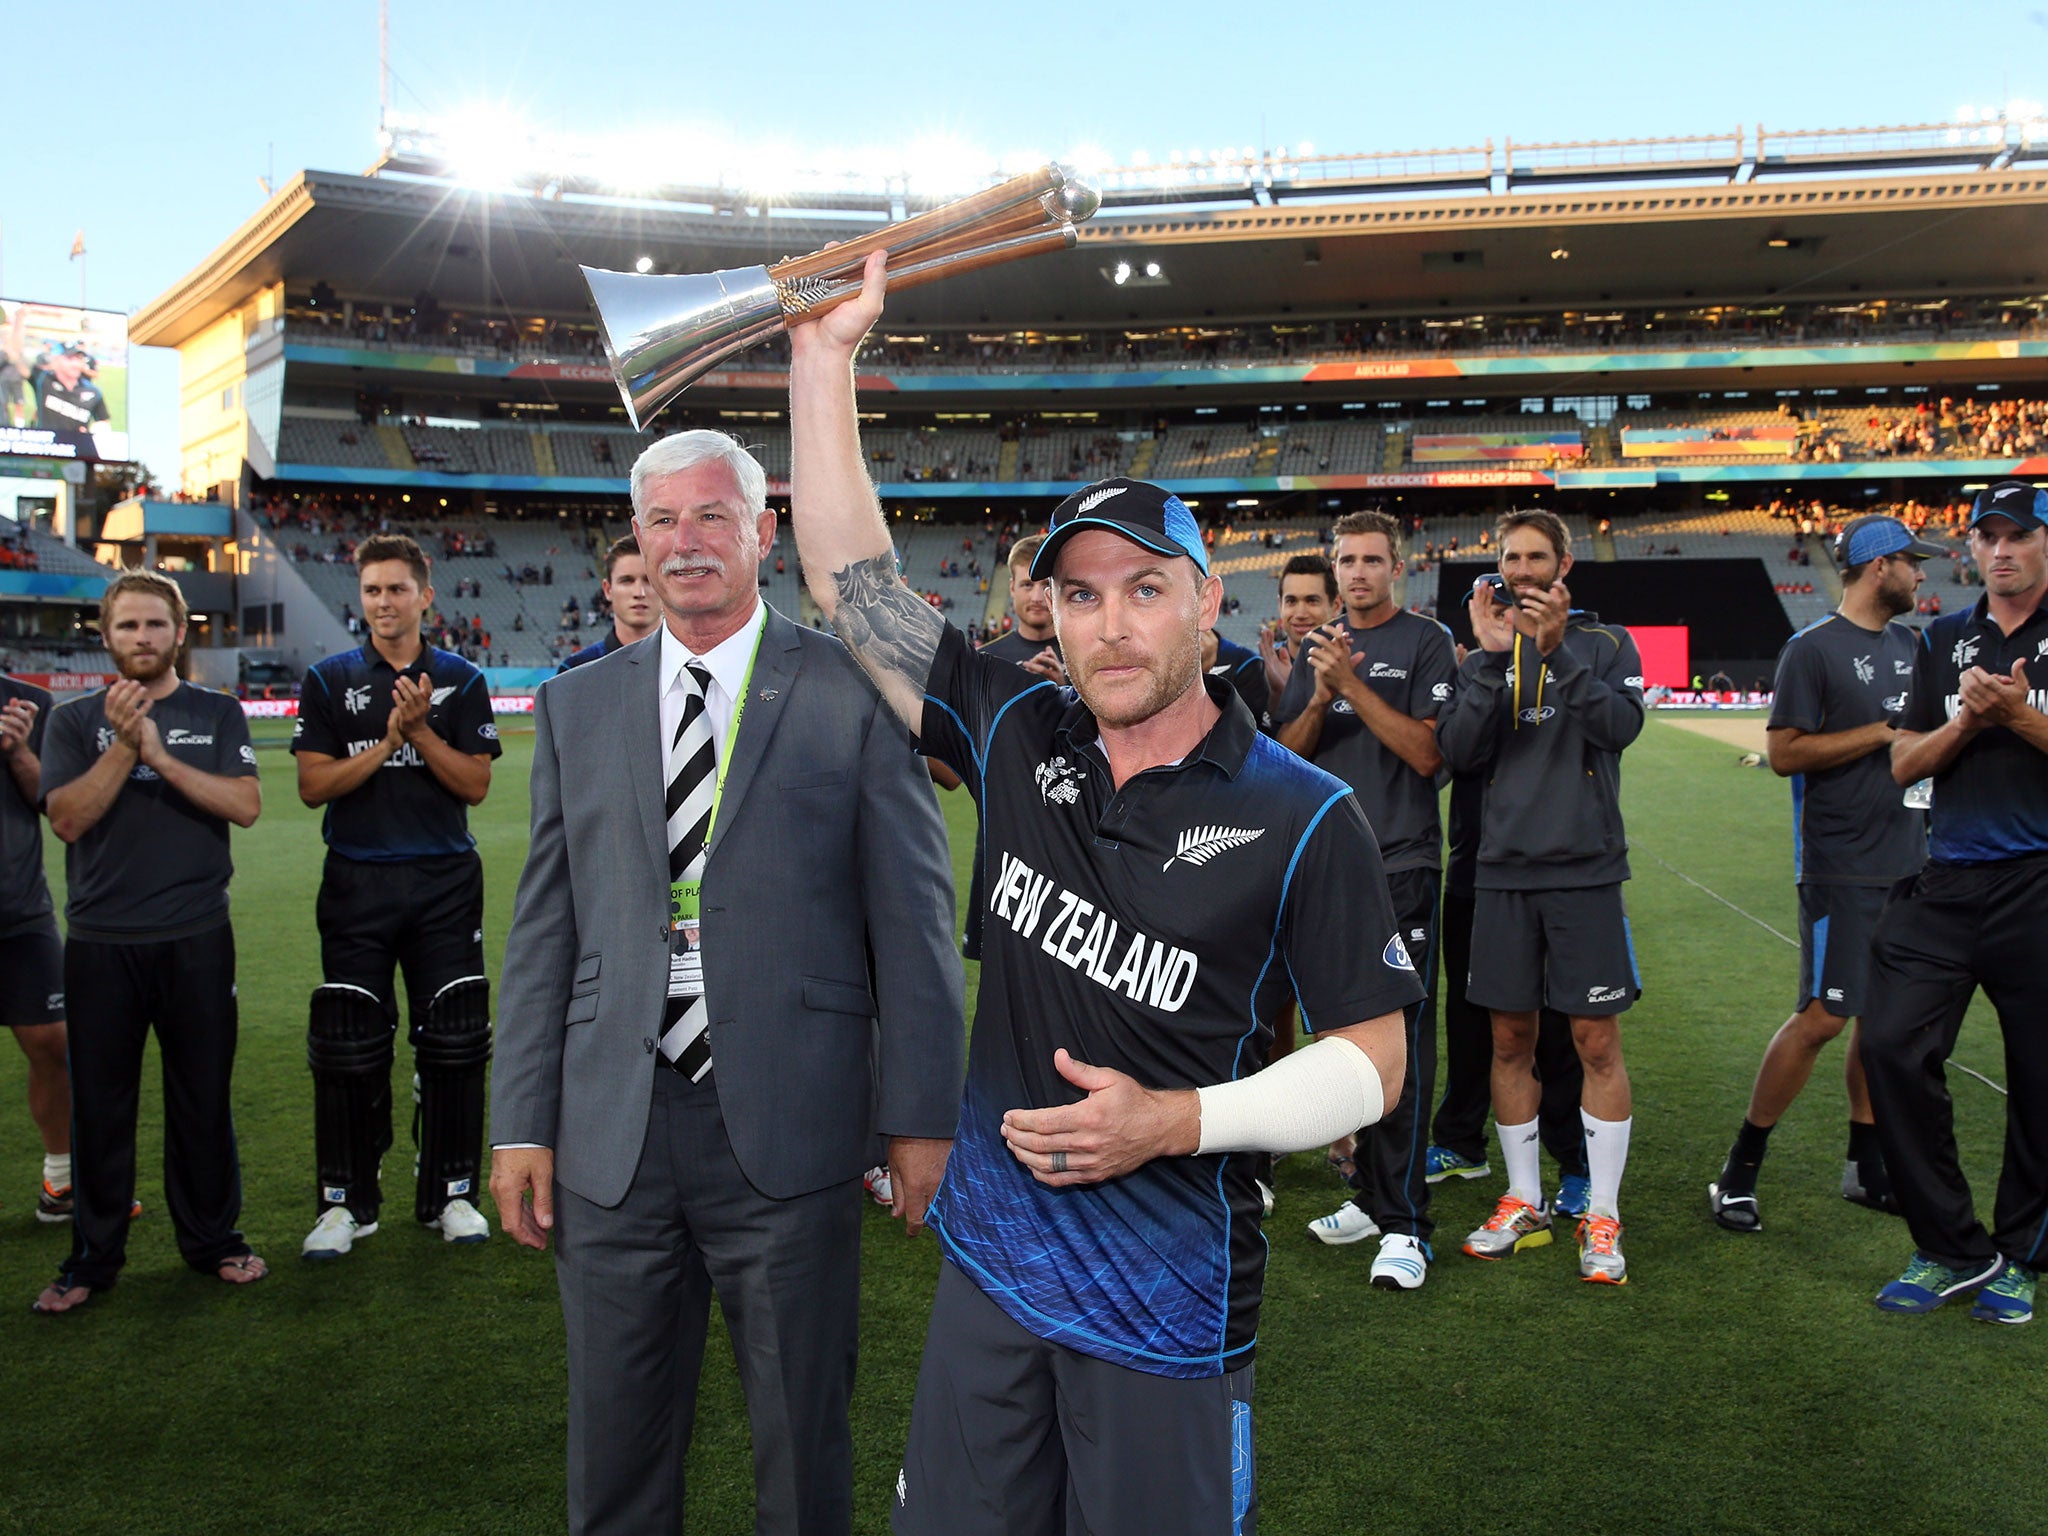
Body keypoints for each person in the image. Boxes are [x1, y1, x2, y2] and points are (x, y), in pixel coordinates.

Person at [787, 253, 1415, 1535]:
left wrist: (1174, 1121)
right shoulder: (1019, 729)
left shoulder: (1305, 812)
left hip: (1168, 1314)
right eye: (1080, 596)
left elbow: (1374, 1064)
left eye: (1143, 590)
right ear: (1052, 615)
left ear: (1205, 603)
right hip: (991, 1278)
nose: (1110, 625)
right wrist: (823, 358)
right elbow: (850, 587)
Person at [488, 428, 964, 1536]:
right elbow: (542, 931)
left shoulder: (853, 690)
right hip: (612, 1132)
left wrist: (919, 1119)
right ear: (638, 544)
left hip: (792, 1126)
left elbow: (913, 923)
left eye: (711, 517)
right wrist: (520, 1121)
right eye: (662, 521)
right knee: (613, 1456)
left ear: (763, 532)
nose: (685, 542)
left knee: (802, 1452)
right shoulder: (575, 708)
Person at [31, 571, 265, 1313]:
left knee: (202, 1097)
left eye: (154, 626)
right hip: (101, 945)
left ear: (178, 633)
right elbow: (67, 819)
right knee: (101, 1107)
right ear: (106, 637)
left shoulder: (216, 712)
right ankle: (93, 1261)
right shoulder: (71, 722)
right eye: (127, 627)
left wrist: (161, 755)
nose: (141, 638)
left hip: (197, 937)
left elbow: (246, 805)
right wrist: (125, 745)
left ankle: (213, 1242)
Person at [1709, 515, 1937, 1233]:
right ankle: (1738, 1171)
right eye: (1911, 562)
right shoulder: (1811, 651)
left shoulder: (1916, 644)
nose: (1922, 574)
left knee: (1883, 1020)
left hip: (1913, 862)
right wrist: (1879, 733)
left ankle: (1866, 1168)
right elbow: (1783, 753)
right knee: (1824, 1017)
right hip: (1843, 866)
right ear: (1877, 568)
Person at [1437, 509, 1646, 1285]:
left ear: (1564, 568)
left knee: (1595, 1042)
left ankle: (1602, 1213)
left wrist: (1556, 654)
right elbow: (1456, 753)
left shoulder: (1605, 644)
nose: (1521, 573)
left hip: (1586, 871)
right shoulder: (1481, 656)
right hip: (1501, 874)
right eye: (1510, 559)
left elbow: (1621, 726)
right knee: (1508, 1043)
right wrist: (1494, 661)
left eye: (1536, 558)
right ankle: (1523, 1196)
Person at [1860, 481, 2048, 1321]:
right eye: (1986, 538)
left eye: (2018, 535)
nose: (2000, 550)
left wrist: (2019, 717)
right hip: (1946, 878)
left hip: (2040, 881)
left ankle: (2020, 1257)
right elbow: (1903, 764)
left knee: (2039, 1080)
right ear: (1970, 548)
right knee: (1892, 1047)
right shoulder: (1943, 636)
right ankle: (1949, 1246)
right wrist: (1970, 723)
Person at [290, 533, 503, 1259]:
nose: (385, 603)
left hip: (443, 881)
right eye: (373, 590)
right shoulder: (327, 679)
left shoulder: (461, 678)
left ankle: (452, 1195)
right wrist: (386, 744)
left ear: (425, 596)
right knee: (348, 1041)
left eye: (397, 589)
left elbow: (474, 784)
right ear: (362, 598)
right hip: (356, 881)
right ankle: (344, 1204)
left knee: (454, 1039)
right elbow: (313, 786)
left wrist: (421, 733)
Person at [1275, 510, 1457, 1291]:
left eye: (1371, 559)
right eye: (1346, 559)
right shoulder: (1315, 648)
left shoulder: (1425, 642)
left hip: (1402, 867)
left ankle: (1407, 1226)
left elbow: (1429, 752)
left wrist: (1352, 685)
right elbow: (1281, 760)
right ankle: (1375, 1198)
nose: (1356, 572)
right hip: (1325, 874)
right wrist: (1321, 695)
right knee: (1342, 1047)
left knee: (1403, 1052)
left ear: (1398, 568)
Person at [0, 672, 72, 1218]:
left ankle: (62, 1180)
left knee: (53, 1043)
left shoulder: (28, 702)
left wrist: (18, 750)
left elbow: (52, 803)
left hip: (19, 911)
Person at [559, 536, 660, 670]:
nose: (639, 592)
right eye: (627, 581)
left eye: (649, 581)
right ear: (608, 590)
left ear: (667, 588)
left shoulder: (692, 664)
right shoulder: (573, 670)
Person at [1256, 552, 1337, 706]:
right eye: (1291, 601)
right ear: (1280, 605)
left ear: (1336, 605)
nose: (1300, 614)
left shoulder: (1357, 670)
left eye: (1312, 601)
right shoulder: (1257, 671)